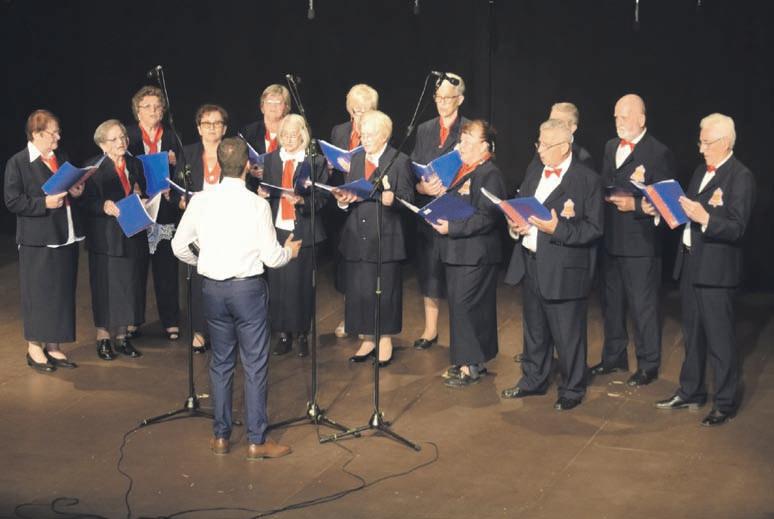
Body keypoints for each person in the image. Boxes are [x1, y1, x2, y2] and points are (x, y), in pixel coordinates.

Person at [172, 137, 301, 458]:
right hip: (247, 292)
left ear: (218, 164)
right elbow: (272, 258)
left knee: (221, 362)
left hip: (213, 290)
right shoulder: (256, 205)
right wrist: (290, 251)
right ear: (247, 166)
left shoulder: (201, 201)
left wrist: (204, 261)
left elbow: (178, 246)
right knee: (255, 364)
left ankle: (221, 436)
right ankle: (257, 441)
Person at [654, 113, 755, 427]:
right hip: (691, 265)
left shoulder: (741, 176)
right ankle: (691, 391)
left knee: (720, 340)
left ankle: (724, 403)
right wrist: (662, 207)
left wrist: (706, 219)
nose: (701, 149)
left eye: (706, 142)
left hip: (716, 272)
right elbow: (687, 212)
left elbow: (737, 228)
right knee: (692, 335)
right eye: (700, 142)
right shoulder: (700, 172)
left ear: (724, 142)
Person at [501, 119, 603, 410]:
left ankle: (572, 388)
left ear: (565, 147)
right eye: (539, 143)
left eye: (546, 145)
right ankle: (533, 379)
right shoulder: (535, 172)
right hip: (531, 261)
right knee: (534, 329)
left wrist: (557, 229)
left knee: (567, 333)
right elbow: (521, 209)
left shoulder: (587, 180)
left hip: (564, 269)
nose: (540, 150)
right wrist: (515, 225)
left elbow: (594, 229)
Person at [589, 94, 676, 386]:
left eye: (624, 117)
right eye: (616, 117)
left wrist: (635, 205)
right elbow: (605, 183)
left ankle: (648, 363)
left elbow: (667, 202)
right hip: (611, 238)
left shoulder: (658, 152)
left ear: (641, 119)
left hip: (641, 243)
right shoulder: (610, 146)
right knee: (611, 303)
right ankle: (614, 357)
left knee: (643, 305)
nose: (619, 122)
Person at [332, 110, 414, 366]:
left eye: (369, 135)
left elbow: (408, 198)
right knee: (359, 289)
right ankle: (367, 338)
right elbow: (350, 192)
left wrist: (394, 200)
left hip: (385, 235)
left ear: (384, 136)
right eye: (362, 135)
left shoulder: (399, 160)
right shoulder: (356, 159)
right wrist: (343, 200)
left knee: (385, 289)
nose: (364, 140)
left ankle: (385, 338)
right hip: (356, 233)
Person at [4, 110, 83, 372]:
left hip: (65, 234)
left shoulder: (61, 158)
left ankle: (53, 344)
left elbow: (70, 188)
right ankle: (34, 347)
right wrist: (43, 203)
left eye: (58, 132)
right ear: (36, 134)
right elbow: (12, 201)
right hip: (37, 239)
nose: (58, 137)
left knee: (61, 292)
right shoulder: (18, 162)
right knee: (39, 294)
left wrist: (77, 190)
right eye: (53, 133)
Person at [429, 119, 506, 388]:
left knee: (466, 307)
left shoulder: (490, 174)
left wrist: (452, 227)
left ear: (485, 146)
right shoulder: (463, 169)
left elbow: (487, 217)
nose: (460, 146)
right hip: (458, 251)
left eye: (467, 141)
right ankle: (472, 361)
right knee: (462, 307)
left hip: (476, 253)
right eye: (461, 140)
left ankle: (469, 365)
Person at [251, 114, 328, 357]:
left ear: (303, 135)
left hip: (304, 227)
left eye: (294, 135)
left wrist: (302, 201)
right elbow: (266, 189)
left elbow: (323, 198)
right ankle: (283, 334)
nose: (289, 140)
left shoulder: (315, 161)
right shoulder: (272, 159)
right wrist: (262, 194)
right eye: (284, 135)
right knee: (278, 285)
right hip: (277, 228)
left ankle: (302, 333)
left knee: (302, 285)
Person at [412, 73, 469, 351]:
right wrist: (422, 187)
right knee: (430, 272)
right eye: (438, 97)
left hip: (456, 208)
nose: (442, 103)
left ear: (460, 99)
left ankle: (461, 332)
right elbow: (414, 166)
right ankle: (430, 329)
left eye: (448, 98)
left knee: (456, 275)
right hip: (429, 208)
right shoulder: (425, 129)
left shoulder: (469, 129)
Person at [84, 120, 148, 360]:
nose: (121, 142)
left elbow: (143, 190)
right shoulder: (92, 168)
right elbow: (85, 202)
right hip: (106, 238)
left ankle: (122, 337)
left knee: (129, 286)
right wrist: (102, 205)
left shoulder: (134, 163)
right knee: (105, 287)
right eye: (114, 139)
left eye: (123, 137)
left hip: (132, 233)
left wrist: (141, 195)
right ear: (102, 145)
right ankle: (103, 337)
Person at [126, 85, 181, 341]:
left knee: (166, 268)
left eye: (158, 106)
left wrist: (175, 165)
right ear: (137, 111)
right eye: (147, 106)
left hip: (165, 207)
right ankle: (132, 320)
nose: (153, 111)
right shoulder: (127, 136)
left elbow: (183, 169)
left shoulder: (171, 136)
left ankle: (170, 320)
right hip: (138, 206)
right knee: (135, 269)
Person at [329, 84, 379, 338]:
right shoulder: (339, 131)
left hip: (369, 204)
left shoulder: (379, 130)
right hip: (343, 204)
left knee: (367, 267)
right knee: (345, 264)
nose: (359, 115)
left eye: (365, 110)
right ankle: (349, 316)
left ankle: (367, 321)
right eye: (355, 110)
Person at [177, 104, 229, 353]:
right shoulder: (187, 154)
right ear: (198, 128)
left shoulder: (232, 152)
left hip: (225, 226)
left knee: (223, 280)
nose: (212, 128)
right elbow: (175, 189)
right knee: (197, 280)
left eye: (217, 123)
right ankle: (198, 331)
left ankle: (222, 332)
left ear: (224, 128)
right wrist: (180, 201)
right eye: (206, 124)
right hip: (196, 227)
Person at [526, 102, 595, 173]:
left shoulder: (582, 157)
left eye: (558, 123)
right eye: (550, 121)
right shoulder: (541, 148)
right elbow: (531, 175)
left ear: (572, 128)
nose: (551, 126)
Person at [240, 84, 291, 155]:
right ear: (262, 106)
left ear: (286, 107)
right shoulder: (248, 132)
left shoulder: (294, 132)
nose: (273, 106)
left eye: (278, 102)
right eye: (269, 102)